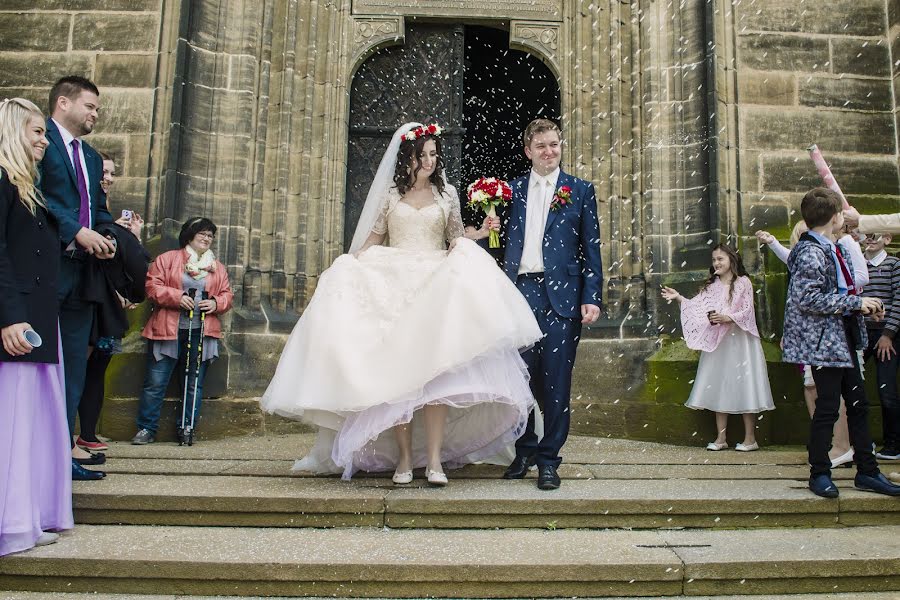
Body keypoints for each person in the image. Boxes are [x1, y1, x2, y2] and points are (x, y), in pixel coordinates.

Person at [261, 122, 541, 486]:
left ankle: (436, 460)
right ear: (407, 157)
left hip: (435, 287)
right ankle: (405, 460)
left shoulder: (448, 195)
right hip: (394, 288)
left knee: (439, 374)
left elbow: (455, 239)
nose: (430, 161)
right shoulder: (390, 196)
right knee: (401, 381)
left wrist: (484, 231)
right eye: (422, 154)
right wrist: (347, 267)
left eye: (433, 154)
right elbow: (374, 240)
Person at [498, 118, 603, 490]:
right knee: (519, 378)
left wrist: (592, 296)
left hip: (563, 296)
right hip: (519, 292)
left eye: (554, 144)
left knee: (557, 380)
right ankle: (524, 448)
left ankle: (548, 459)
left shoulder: (580, 190)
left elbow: (591, 248)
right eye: (541, 146)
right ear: (528, 150)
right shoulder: (510, 191)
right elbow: (496, 243)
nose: (549, 151)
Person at [782, 187, 900, 498]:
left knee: (859, 405)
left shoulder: (831, 247)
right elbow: (806, 298)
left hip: (843, 339)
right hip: (824, 344)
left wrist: (864, 307)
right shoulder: (809, 251)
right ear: (835, 218)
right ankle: (819, 473)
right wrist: (855, 305)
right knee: (828, 408)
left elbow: (842, 291)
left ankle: (868, 471)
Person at [0, 98, 73, 555]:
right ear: (12, 131)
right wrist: (9, 317)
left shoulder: (30, 189)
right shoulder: (3, 185)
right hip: (18, 321)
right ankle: (11, 521)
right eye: (36, 132)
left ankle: (28, 512)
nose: (45, 141)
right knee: (14, 423)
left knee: (34, 423)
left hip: (41, 318)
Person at [39, 75, 115, 481]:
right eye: (90, 106)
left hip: (81, 274)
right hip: (43, 268)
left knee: (72, 369)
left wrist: (107, 236)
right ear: (63, 103)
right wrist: (74, 230)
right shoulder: (39, 142)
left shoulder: (90, 157)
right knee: (33, 365)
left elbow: (97, 209)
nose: (94, 114)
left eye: (97, 109)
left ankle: (59, 457)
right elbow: (36, 194)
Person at [756, 224, 860, 468]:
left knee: (836, 393)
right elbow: (796, 298)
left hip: (829, 335)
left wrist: (856, 302)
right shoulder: (803, 258)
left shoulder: (838, 250)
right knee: (812, 388)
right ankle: (824, 443)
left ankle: (842, 446)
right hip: (808, 335)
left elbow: (856, 280)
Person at [661, 245, 775, 450]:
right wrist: (679, 297)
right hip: (719, 343)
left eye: (720, 259)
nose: (716, 263)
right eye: (714, 260)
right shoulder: (711, 286)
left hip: (740, 341)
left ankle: (750, 438)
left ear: (732, 259)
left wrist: (728, 317)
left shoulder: (743, 283)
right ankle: (721, 438)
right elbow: (697, 308)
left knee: (744, 383)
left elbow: (748, 311)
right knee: (719, 384)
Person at [131, 217, 232, 444]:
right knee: (156, 382)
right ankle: (146, 429)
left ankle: (187, 428)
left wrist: (216, 303)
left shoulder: (217, 268)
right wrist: (177, 297)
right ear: (189, 234)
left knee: (194, 383)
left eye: (210, 235)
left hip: (202, 331)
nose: (207, 238)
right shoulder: (167, 260)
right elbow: (151, 287)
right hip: (168, 329)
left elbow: (227, 295)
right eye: (203, 233)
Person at [77, 154, 148, 453]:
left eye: (112, 173)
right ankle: (72, 436)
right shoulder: (86, 210)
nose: (108, 177)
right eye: (104, 171)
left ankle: (87, 433)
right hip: (89, 300)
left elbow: (123, 263)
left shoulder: (106, 216)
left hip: (107, 308)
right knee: (78, 369)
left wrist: (134, 236)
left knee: (96, 370)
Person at [859, 232, 900, 461]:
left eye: (877, 235)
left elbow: (898, 300)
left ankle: (893, 444)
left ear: (888, 239)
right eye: (868, 234)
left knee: (887, 392)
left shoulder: (894, 265)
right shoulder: (857, 263)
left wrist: (888, 334)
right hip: (861, 333)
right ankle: (857, 441)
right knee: (851, 387)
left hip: (888, 336)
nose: (871, 239)